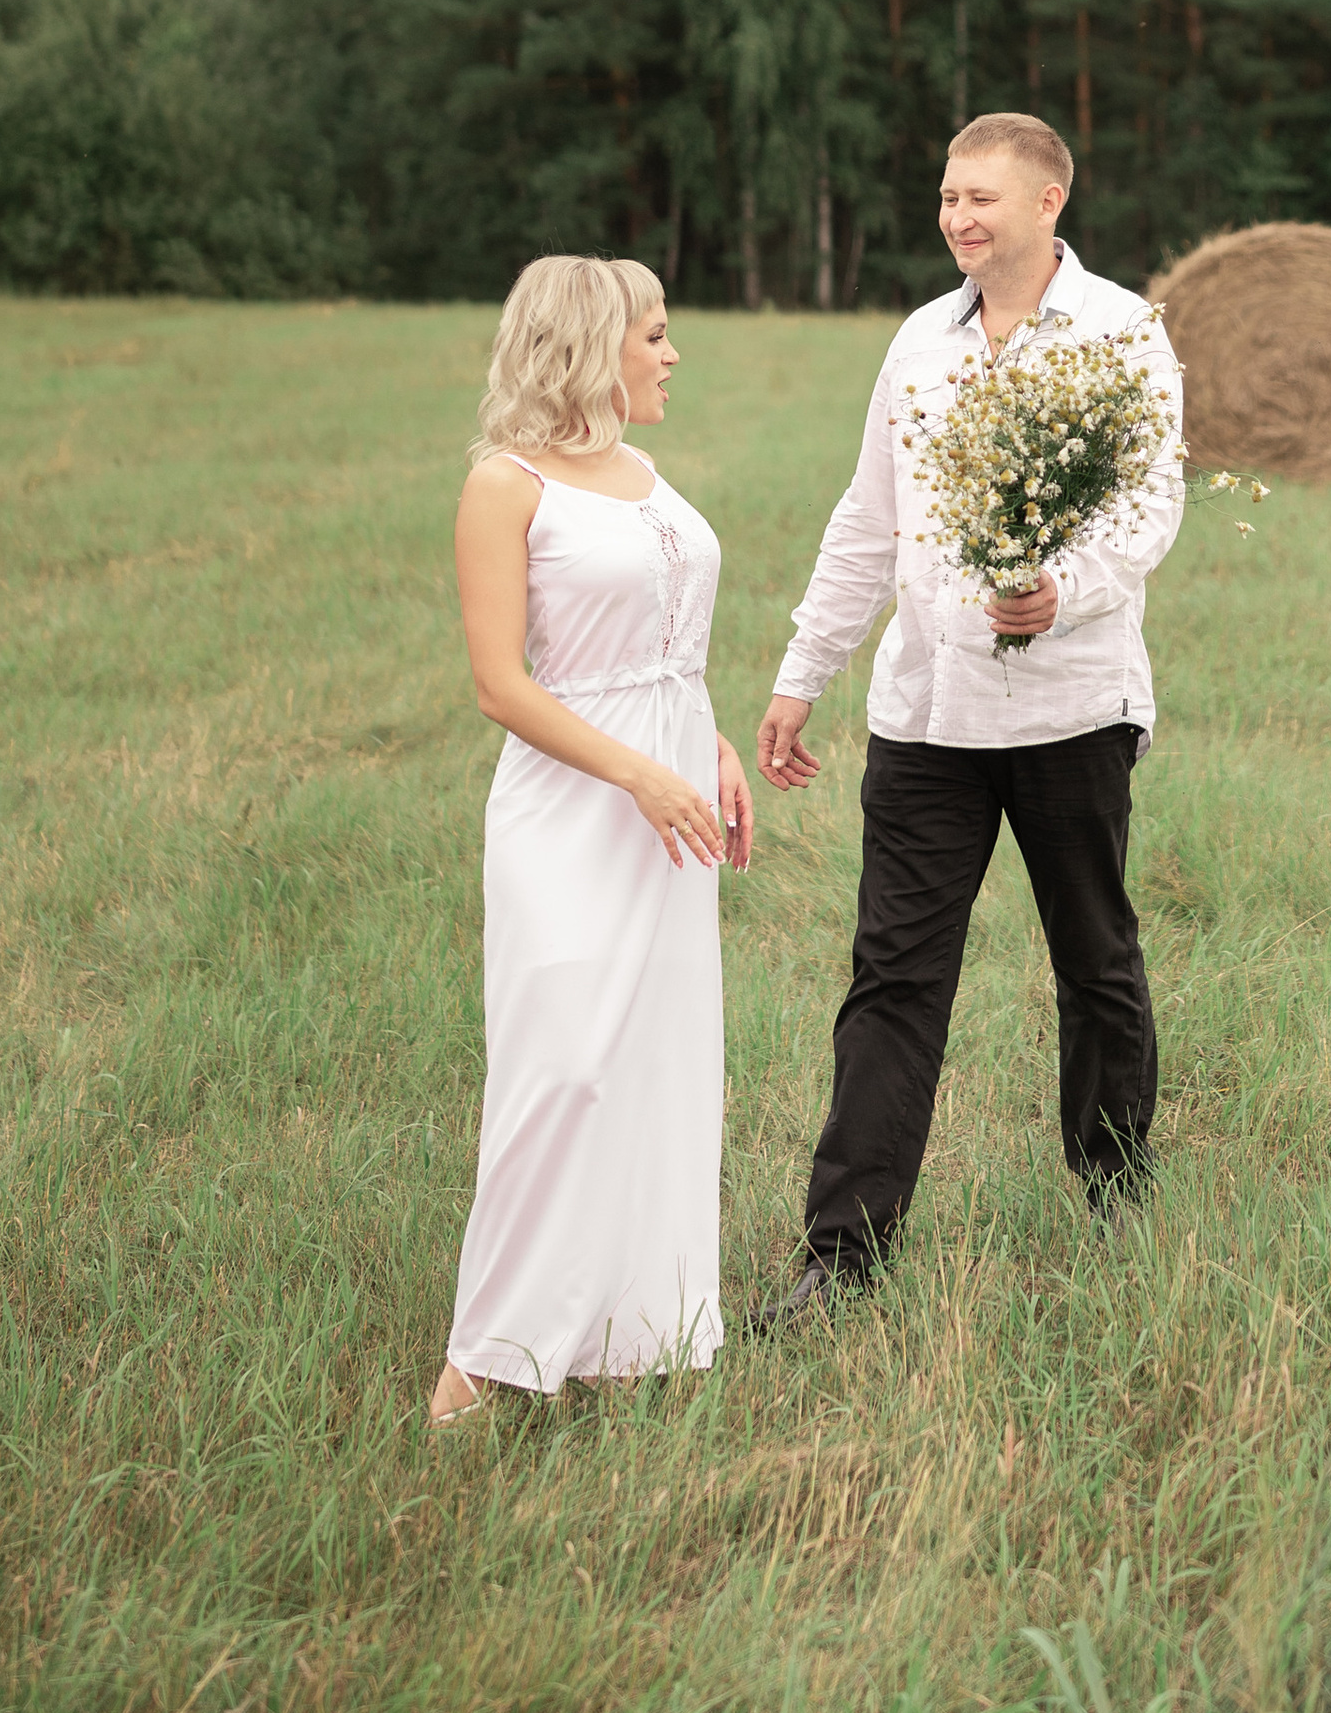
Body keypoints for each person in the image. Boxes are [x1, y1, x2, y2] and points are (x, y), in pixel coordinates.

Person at [753, 114, 1183, 1320]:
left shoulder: (1123, 334)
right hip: (923, 717)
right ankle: (842, 1255)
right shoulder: (916, 343)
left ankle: (1113, 1198)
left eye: (982, 196)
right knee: (891, 980)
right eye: (948, 196)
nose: (958, 216)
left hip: (1068, 710)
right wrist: (802, 675)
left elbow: (1149, 509)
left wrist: (1064, 592)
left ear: (1051, 201)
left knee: (1093, 960)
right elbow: (866, 520)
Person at [430, 256, 755, 1426]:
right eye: (654, 334)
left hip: (669, 804)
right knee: (560, 1071)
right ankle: (484, 1358)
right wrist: (638, 775)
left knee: (658, 1073)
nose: (672, 354)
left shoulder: (649, 475)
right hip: (573, 812)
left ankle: (629, 1336)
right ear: (588, 343)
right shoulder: (504, 485)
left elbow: (675, 648)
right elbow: (499, 685)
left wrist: (708, 749)